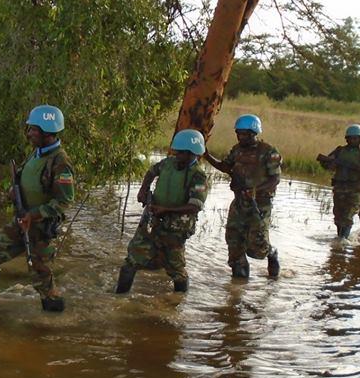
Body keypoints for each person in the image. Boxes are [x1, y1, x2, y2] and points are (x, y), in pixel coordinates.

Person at [0, 105, 74, 312]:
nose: (29, 134)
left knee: (41, 278)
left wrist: (34, 215)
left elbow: (64, 201)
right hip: (22, 221)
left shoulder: (60, 161)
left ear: (47, 132)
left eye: (33, 130)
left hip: (40, 228)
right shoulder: (35, 154)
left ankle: (56, 323)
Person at [115, 129, 209, 293]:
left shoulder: (198, 176)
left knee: (176, 268)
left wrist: (166, 210)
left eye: (182, 153)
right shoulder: (167, 163)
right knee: (131, 261)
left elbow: (195, 205)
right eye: (177, 152)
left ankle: (177, 304)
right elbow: (151, 171)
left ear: (193, 154)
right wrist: (143, 189)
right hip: (152, 220)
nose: (177, 156)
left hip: (176, 229)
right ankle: (119, 298)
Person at [204, 114, 282, 279]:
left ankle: (271, 253)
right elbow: (225, 166)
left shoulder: (268, 151)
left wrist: (256, 190)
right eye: (238, 133)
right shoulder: (237, 150)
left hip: (259, 203)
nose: (241, 137)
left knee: (257, 245)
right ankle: (238, 284)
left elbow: (275, 179)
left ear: (254, 133)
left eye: (245, 134)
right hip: (239, 201)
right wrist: (206, 155)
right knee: (234, 241)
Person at [316, 124, 360, 239]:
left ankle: (343, 241)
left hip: (356, 188)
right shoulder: (340, 151)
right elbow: (327, 164)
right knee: (338, 216)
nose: (353, 140)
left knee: (348, 216)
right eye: (351, 138)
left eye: (356, 138)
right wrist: (329, 163)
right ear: (347, 139)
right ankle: (340, 238)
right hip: (340, 187)